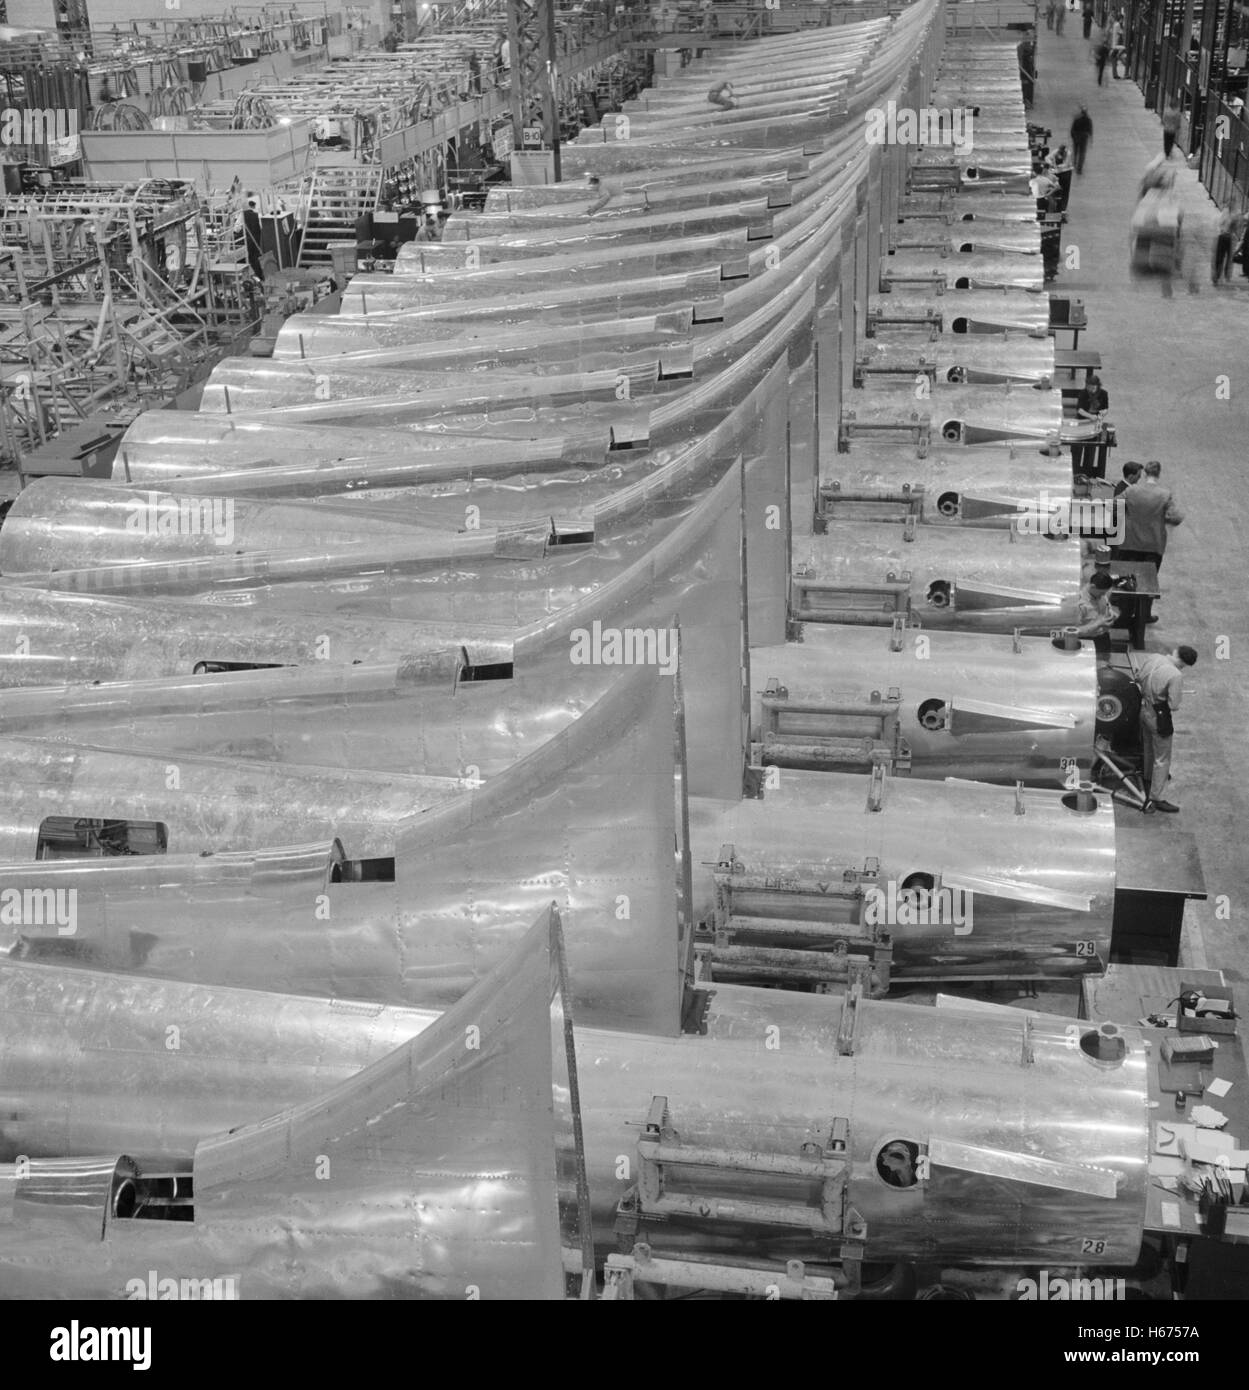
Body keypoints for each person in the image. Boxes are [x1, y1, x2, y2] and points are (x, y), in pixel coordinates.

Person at [1135, 645, 1198, 813]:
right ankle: (1156, 796)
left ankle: (1148, 777)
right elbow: (1174, 705)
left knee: (1148, 747)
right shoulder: (1175, 675)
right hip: (1158, 716)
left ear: (1176, 652)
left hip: (1143, 709)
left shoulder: (1154, 657)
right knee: (1162, 757)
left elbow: (1139, 677)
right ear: (1184, 663)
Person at [1116, 460, 1183, 578]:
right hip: (1154, 545)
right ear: (1159, 474)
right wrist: (1161, 518)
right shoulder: (1165, 495)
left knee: (1125, 579)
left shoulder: (1132, 490)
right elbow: (1176, 518)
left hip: (1130, 542)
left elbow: (1113, 505)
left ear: (1145, 474)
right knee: (1148, 580)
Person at [1071, 373, 1109, 474]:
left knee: (1091, 449)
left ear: (1098, 386)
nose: (1090, 389)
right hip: (1082, 421)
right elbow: (1079, 410)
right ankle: (1075, 471)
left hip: (1094, 424)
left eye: (1093, 387)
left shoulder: (1103, 394)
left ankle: (1086, 472)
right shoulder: (1083, 393)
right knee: (1077, 449)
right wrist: (1090, 416)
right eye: (1088, 387)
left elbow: (1105, 408)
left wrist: (1102, 413)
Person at [1074, 570, 1118, 653]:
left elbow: (1107, 604)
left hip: (1103, 637)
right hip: (1087, 641)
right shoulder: (1080, 604)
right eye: (1102, 593)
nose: (1103, 595)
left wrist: (1111, 612)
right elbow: (1075, 631)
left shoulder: (1099, 592)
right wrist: (1098, 624)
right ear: (1093, 586)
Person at [1051, 144, 1074, 212]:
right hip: (1057, 172)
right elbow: (1049, 158)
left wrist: (1058, 166)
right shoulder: (1056, 152)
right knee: (1057, 188)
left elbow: (1066, 164)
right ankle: (1057, 205)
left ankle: (1063, 207)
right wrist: (1053, 164)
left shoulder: (1068, 154)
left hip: (1066, 172)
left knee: (1065, 190)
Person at [1071, 105, 1093, 174]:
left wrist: (1073, 136)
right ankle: (1079, 168)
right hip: (1084, 137)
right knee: (1082, 153)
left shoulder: (1077, 118)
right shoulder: (1088, 119)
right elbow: (1090, 130)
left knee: (1076, 151)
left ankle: (1074, 163)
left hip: (1076, 136)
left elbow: (1073, 128)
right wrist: (1091, 138)